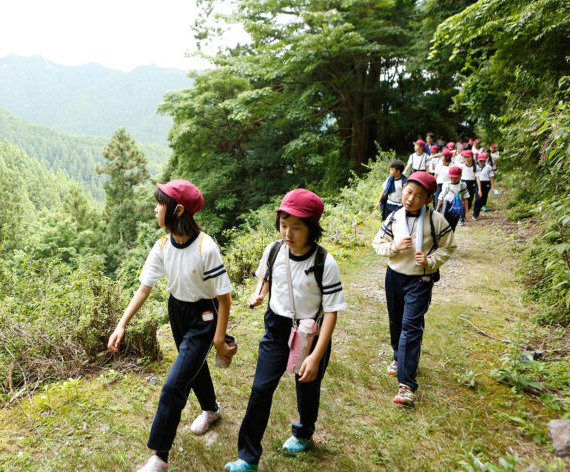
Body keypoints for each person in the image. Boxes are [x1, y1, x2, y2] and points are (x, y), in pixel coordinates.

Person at [107, 180, 237, 472]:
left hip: (204, 315)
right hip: (177, 311)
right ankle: (212, 409)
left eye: (160, 204)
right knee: (194, 366)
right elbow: (144, 288)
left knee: (173, 386)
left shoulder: (206, 247)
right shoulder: (163, 245)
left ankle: (159, 456)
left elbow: (225, 300)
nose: (155, 209)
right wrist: (121, 324)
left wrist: (218, 339)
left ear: (177, 210)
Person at [224, 189, 346, 472]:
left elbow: (331, 312)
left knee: (307, 385)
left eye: (296, 228)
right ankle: (248, 457)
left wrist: (315, 356)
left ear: (312, 229)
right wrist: (258, 294)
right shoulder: (274, 250)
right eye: (283, 225)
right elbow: (268, 279)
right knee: (260, 388)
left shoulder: (324, 263)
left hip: (309, 331)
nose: (287, 234)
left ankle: (303, 432)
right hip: (276, 328)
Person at [372, 172, 456, 407]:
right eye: (408, 192)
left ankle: (407, 384)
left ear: (429, 199)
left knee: (411, 326)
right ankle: (399, 358)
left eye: (419, 196)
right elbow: (377, 244)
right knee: (396, 321)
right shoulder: (395, 216)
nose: (411, 199)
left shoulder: (436, 220)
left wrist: (429, 260)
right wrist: (394, 247)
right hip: (394, 276)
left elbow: (449, 247)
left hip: (420, 280)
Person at [472, 153, 495, 220]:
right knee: (478, 198)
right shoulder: (476, 167)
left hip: (486, 184)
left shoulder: (488, 167)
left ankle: (478, 210)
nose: (481, 162)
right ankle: (475, 214)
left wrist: (492, 186)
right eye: (480, 160)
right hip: (479, 183)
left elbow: (491, 177)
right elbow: (477, 177)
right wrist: (479, 189)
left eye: (483, 161)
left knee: (483, 199)